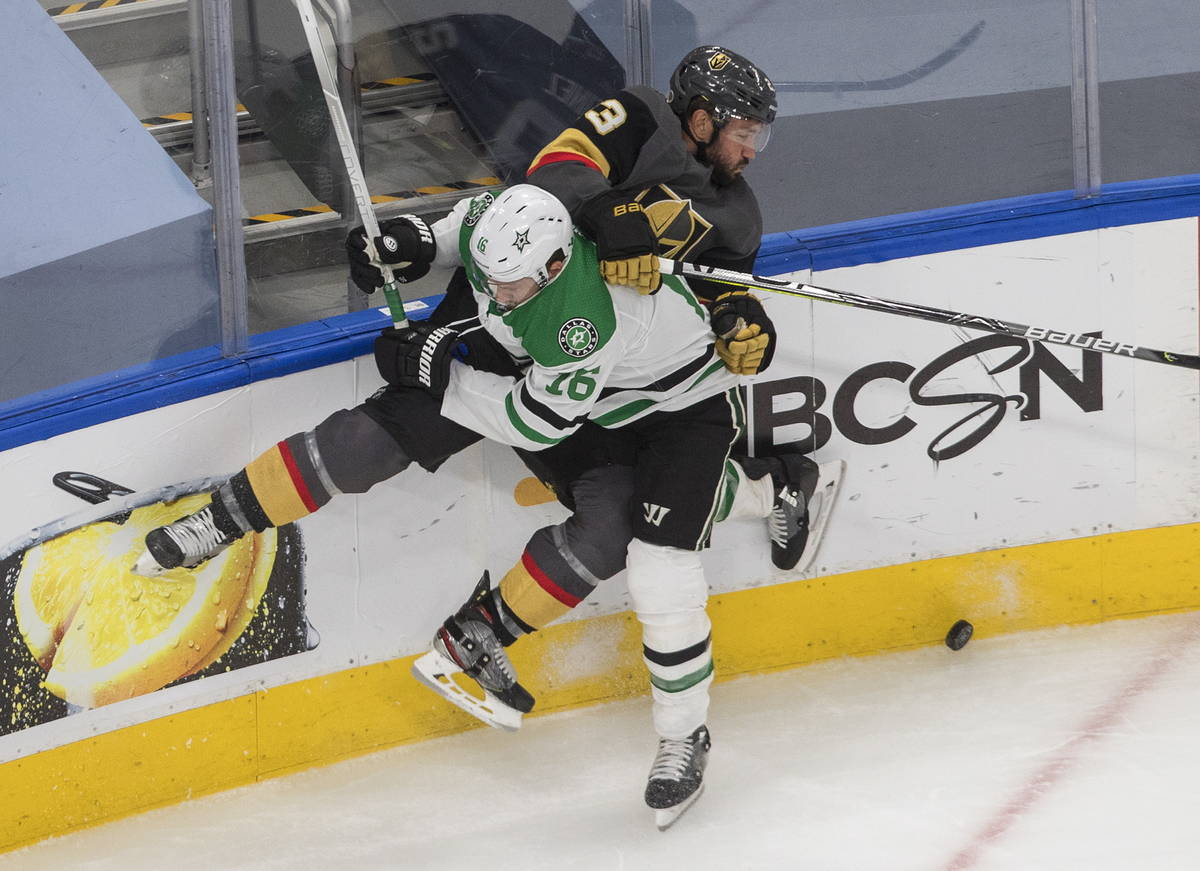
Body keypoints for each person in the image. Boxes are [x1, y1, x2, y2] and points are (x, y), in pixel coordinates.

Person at [131, 183, 823, 827]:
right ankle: (220, 518)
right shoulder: (505, 233)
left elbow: (534, 423)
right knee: (365, 441)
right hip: (552, 381)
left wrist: (445, 372)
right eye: (489, 275)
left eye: (510, 283)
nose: (494, 290)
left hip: (670, 406)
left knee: (654, 559)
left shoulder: (581, 320)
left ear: (554, 268)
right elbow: (458, 232)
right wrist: (408, 241)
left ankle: (682, 732)